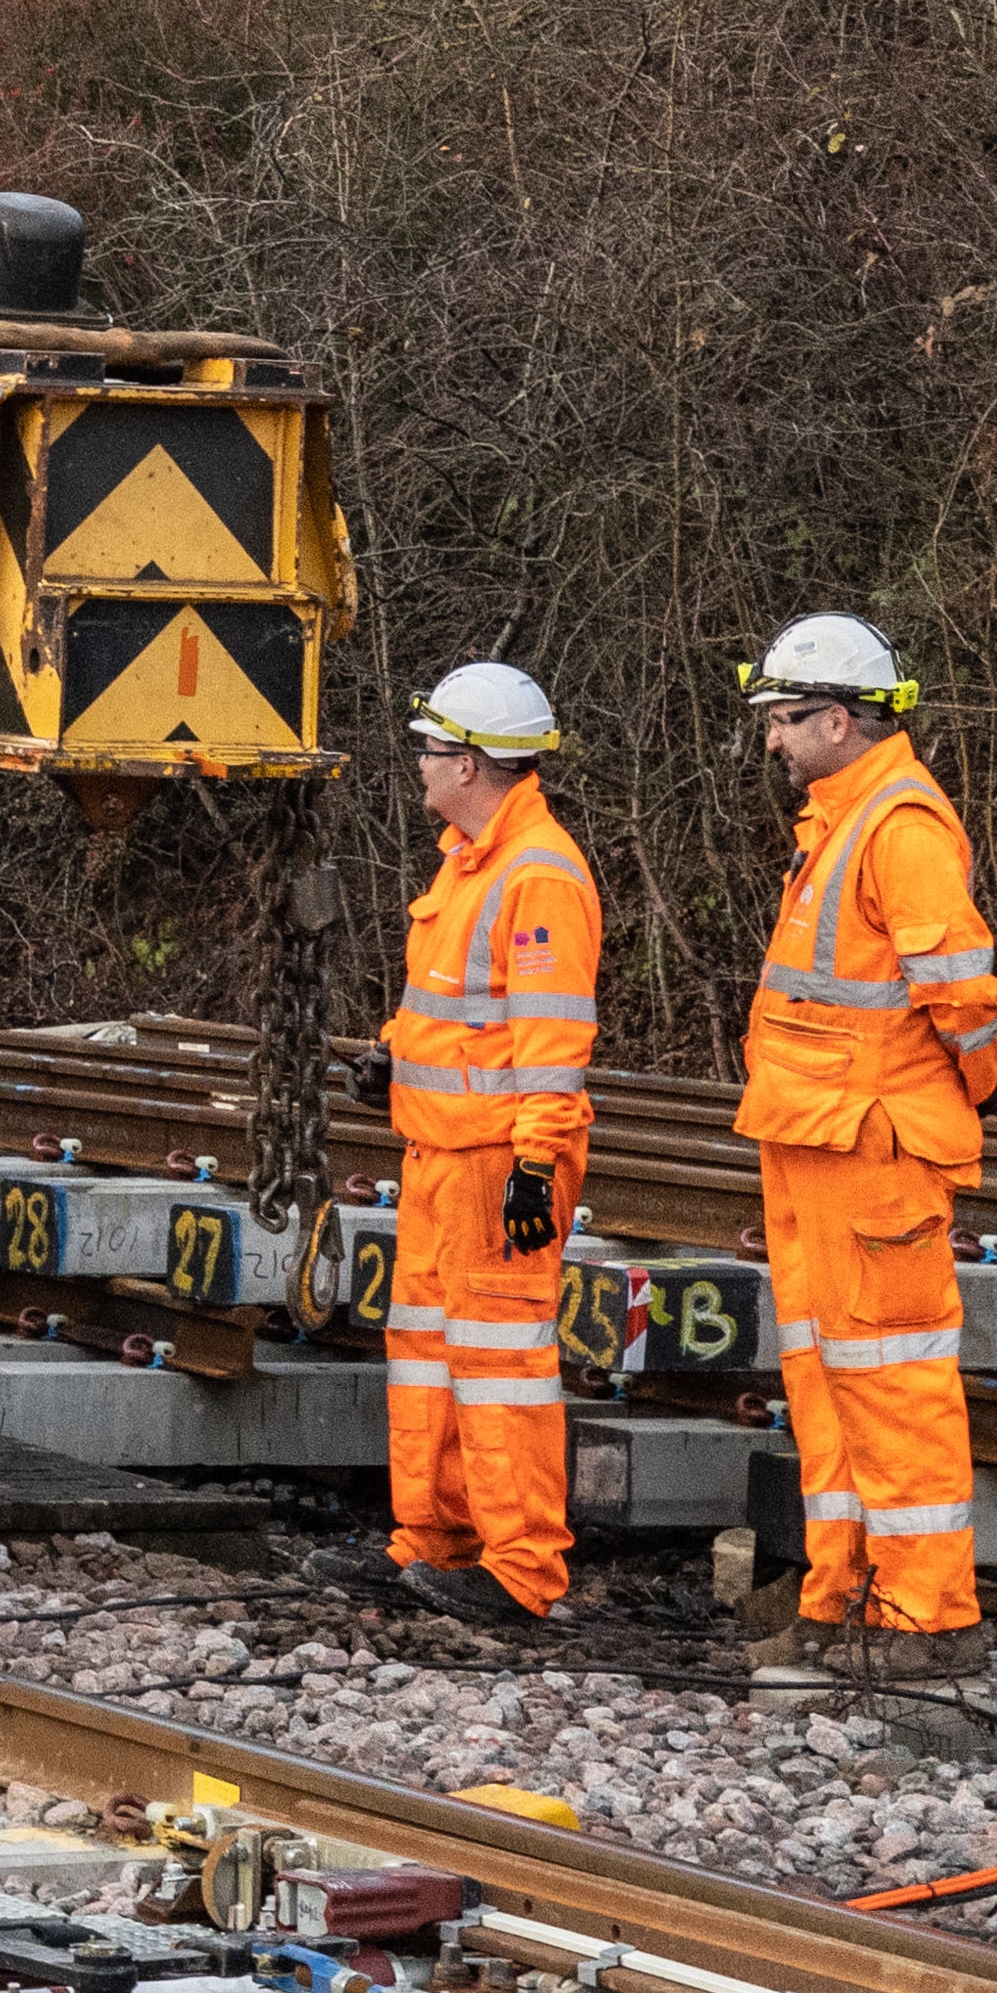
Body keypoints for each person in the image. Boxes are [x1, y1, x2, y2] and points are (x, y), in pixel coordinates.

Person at [736, 611, 997, 1648]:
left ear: (841, 721)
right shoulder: (842, 823)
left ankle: (922, 1617)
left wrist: (962, 1087)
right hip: (819, 1139)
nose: (773, 741)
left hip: (873, 1146)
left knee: (891, 1386)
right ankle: (842, 1596)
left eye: (786, 719)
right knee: (827, 1382)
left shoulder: (897, 826)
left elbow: (963, 995)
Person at [378, 661, 598, 1623]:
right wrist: (387, 1056)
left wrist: (535, 1167)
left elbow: (553, 1046)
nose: (418, 766)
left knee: (502, 1367)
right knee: (428, 1355)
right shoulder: (468, 862)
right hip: (438, 1154)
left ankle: (519, 1574)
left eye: (429, 751)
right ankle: (432, 1543)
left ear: (469, 764)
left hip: (498, 1162)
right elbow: (459, 1016)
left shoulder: (537, 876)